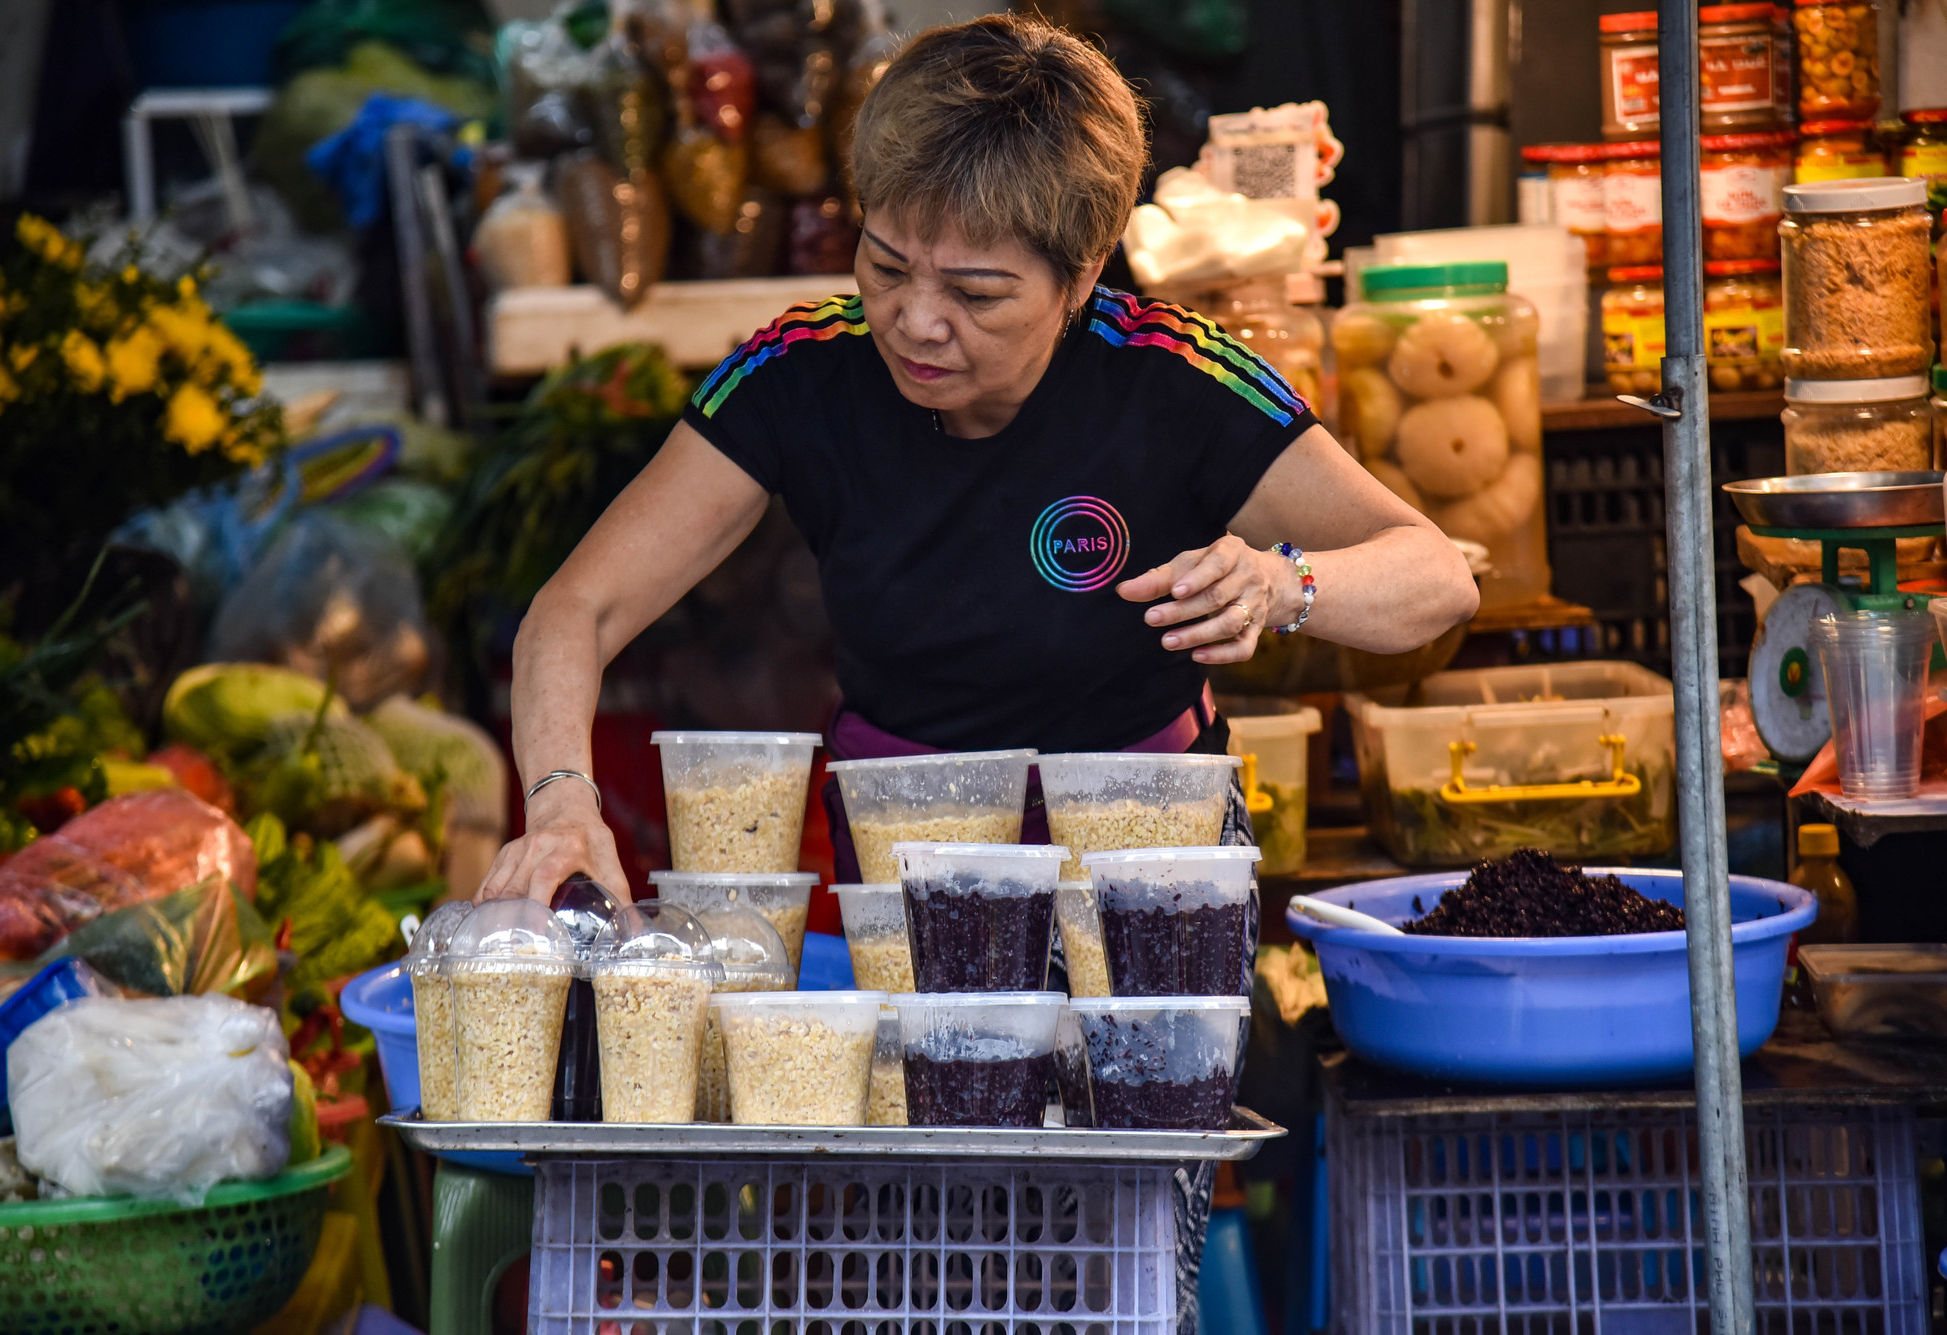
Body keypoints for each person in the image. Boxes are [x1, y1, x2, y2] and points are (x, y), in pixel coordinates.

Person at [480, 17, 1477, 1328]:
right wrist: (558, 799)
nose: (915, 318)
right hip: (915, 882)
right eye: (885, 264)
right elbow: (576, 608)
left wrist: (1288, 584)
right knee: (933, 1219)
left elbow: (1439, 573)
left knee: (1132, 1223)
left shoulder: (1170, 378)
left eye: (977, 292)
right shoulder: (803, 377)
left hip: (1142, 890)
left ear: (1081, 277)